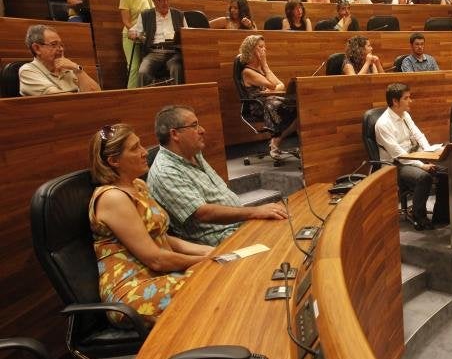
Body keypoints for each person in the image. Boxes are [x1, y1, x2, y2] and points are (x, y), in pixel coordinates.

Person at [88, 123, 212, 325]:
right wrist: (208, 260)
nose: (145, 152)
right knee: (212, 283)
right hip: (132, 292)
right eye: (135, 148)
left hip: (160, 276)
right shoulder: (112, 197)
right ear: (114, 160)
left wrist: (211, 252)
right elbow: (156, 260)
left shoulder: (138, 185)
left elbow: (162, 238)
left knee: (218, 271)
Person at [147, 105, 289, 246]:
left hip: (239, 225)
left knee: (294, 227)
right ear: (175, 134)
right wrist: (255, 212)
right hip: (221, 240)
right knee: (284, 242)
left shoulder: (193, 152)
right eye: (194, 126)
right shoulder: (166, 171)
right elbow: (203, 213)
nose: (202, 130)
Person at [374, 83, 448, 230]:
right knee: (423, 177)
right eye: (406, 98)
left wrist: (429, 153)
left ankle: (442, 215)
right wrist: (423, 165)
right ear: (395, 101)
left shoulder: (405, 115)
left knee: (446, 170)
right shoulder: (383, 124)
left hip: (413, 156)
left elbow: (418, 135)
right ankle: (419, 216)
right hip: (395, 165)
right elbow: (399, 155)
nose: (410, 101)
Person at [238, 35, 298, 159]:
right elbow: (272, 84)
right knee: (285, 106)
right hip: (258, 106)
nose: (264, 50)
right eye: (260, 47)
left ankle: (275, 141)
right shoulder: (247, 72)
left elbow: (281, 85)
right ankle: (275, 142)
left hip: (271, 101)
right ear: (251, 50)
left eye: (264, 47)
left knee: (300, 108)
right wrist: (265, 66)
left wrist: (272, 85)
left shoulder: (262, 69)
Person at [19, 24, 101, 95]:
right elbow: (60, 100)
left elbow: (97, 94)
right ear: (37, 48)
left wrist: (77, 69)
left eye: (61, 45)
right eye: (54, 44)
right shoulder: (28, 71)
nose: (61, 49)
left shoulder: (68, 68)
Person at [128, 0, 187, 86]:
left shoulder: (179, 14)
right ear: (154, 1)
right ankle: (145, 98)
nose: (165, 3)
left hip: (174, 52)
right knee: (143, 72)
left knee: (176, 68)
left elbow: (187, 34)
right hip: (154, 52)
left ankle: (178, 96)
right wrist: (133, 34)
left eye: (167, 0)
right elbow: (137, 32)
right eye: (162, 0)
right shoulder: (145, 15)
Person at [119, 0, 154, 89]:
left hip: (146, 36)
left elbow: (153, 13)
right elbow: (126, 21)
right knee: (133, 67)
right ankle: (130, 95)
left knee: (148, 66)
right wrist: (136, 32)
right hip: (130, 36)